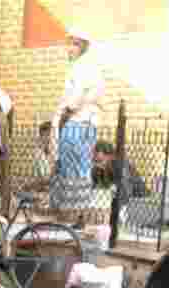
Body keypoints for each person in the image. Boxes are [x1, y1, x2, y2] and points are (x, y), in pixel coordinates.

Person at [51, 28, 106, 227]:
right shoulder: (94, 68)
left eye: (74, 44)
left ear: (83, 47)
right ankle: (80, 214)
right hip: (88, 124)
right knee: (82, 171)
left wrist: (66, 112)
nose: (69, 48)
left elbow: (77, 95)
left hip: (75, 122)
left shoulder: (81, 67)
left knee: (72, 171)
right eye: (70, 43)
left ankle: (74, 215)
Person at [92, 140, 149, 224]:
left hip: (134, 197)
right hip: (113, 198)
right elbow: (96, 188)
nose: (94, 156)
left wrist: (114, 208)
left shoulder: (120, 164)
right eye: (94, 154)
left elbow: (126, 189)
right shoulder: (97, 167)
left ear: (109, 155)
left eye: (97, 153)